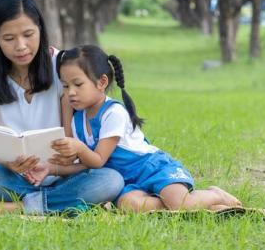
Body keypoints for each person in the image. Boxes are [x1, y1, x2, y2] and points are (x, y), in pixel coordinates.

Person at [0, 0, 124, 215]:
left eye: (28, 34)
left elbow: (73, 138)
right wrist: (9, 164)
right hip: (12, 177)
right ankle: (56, 203)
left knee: (110, 180)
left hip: (62, 175)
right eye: (9, 39)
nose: (21, 46)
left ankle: (16, 207)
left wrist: (60, 161)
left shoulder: (62, 67)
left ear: (40, 30)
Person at [24, 44, 242, 213]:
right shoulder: (78, 119)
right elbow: (81, 163)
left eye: (77, 85)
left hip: (153, 169)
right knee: (129, 206)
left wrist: (78, 147)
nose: (70, 92)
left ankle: (215, 196)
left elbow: (97, 160)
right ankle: (194, 205)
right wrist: (50, 168)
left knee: (179, 203)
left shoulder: (113, 113)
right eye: (65, 86)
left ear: (101, 82)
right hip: (127, 180)